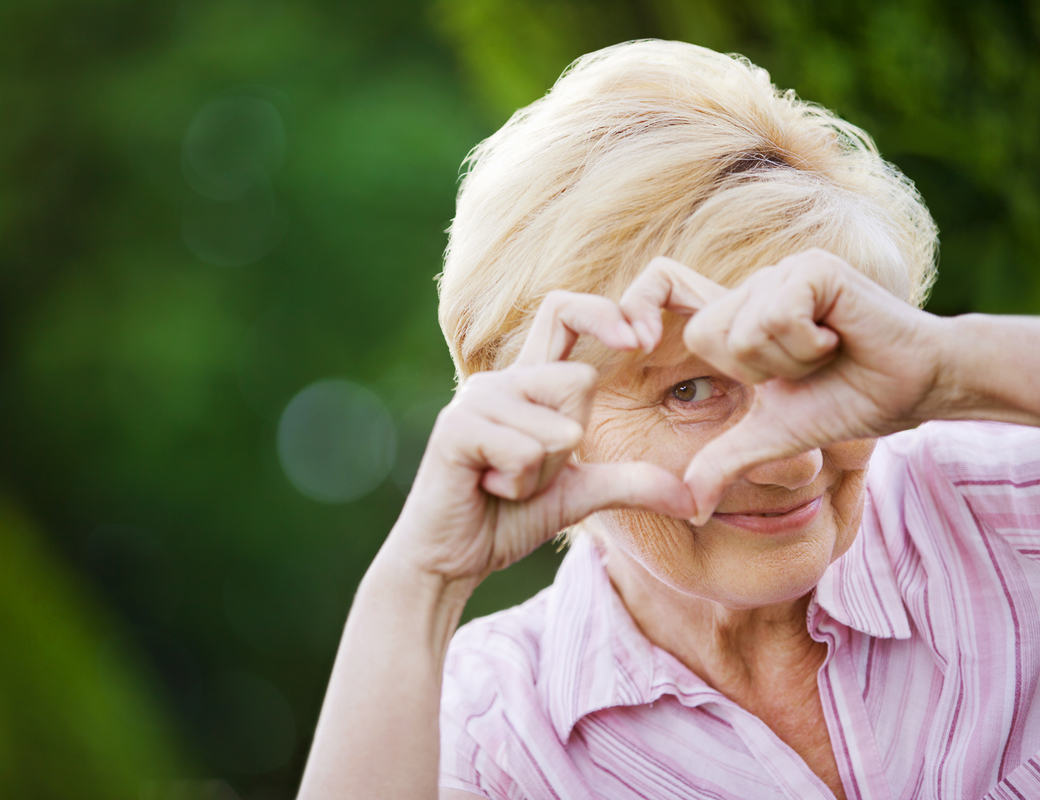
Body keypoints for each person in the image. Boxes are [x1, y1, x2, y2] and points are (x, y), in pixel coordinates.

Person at [296, 40, 1040, 800]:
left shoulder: (1008, 508)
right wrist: (421, 581)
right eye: (691, 391)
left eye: (818, 365)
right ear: (527, 406)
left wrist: (956, 366)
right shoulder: (491, 740)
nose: (796, 465)